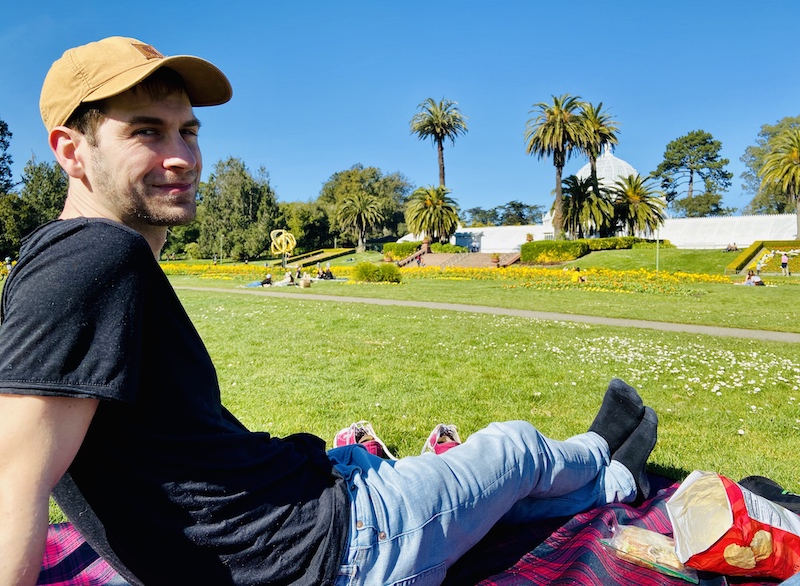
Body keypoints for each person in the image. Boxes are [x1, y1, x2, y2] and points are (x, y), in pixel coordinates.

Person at [0, 36, 658, 586]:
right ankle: (605, 460)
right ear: (71, 150)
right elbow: (13, 478)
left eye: (188, 131)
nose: (183, 156)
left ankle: (603, 478)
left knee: (488, 497)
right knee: (512, 451)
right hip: (335, 547)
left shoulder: (76, 258)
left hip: (308, 501)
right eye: (146, 131)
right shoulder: (93, 258)